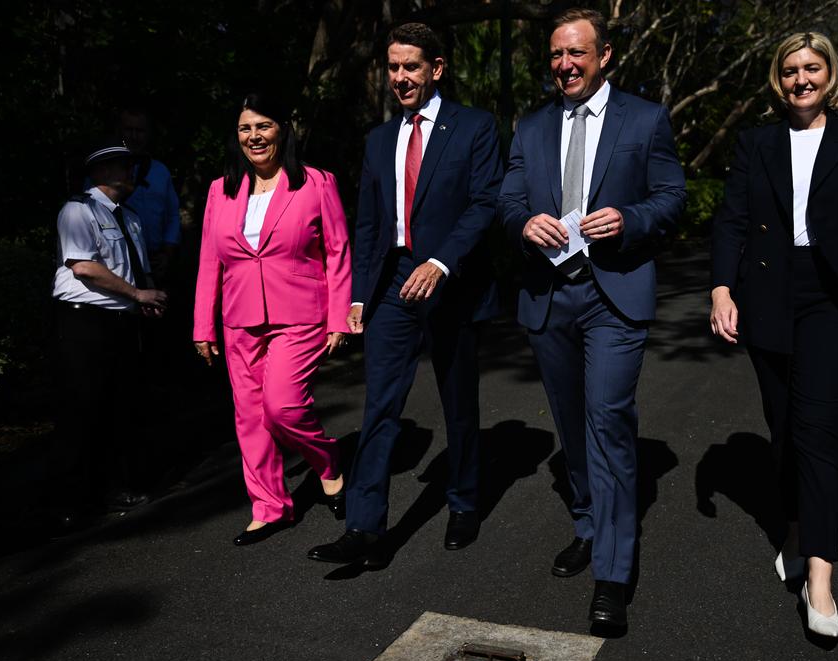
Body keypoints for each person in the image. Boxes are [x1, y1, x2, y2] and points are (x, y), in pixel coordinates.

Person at [709, 31, 838, 639]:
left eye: (812, 68)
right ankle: (795, 527)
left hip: (834, 298)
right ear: (779, 78)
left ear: (830, 75)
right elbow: (731, 222)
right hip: (768, 292)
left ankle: (820, 580)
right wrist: (722, 290)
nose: (802, 79)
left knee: (819, 432)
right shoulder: (756, 143)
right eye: (791, 69)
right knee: (784, 430)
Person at [498, 8, 686, 630]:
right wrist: (523, 223)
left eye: (576, 53)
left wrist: (629, 221)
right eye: (555, 54)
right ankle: (587, 522)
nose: (565, 65)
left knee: (607, 421)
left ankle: (612, 571)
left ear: (604, 56)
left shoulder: (646, 118)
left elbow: (670, 198)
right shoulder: (530, 126)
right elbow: (508, 199)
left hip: (615, 294)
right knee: (572, 425)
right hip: (549, 295)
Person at [307, 22, 502, 567]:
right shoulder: (378, 139)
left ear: (435, 69)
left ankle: (464, 501)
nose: (400, 77)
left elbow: (484, 204)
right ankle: (365, 529)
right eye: (393, 67)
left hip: (450, 281)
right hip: (393, 283)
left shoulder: (475, 127)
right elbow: (368, 224)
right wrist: (358, 296)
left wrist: (441, 263)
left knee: (457, 402)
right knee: (381, 406)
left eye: (410, 66)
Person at [193, 92, 353, 546]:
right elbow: (210, 261)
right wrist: (202, 326)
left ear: (282, 129)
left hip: (300, 313)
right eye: (245, 128)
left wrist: (339, 317)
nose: (254, 136)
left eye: (263, 126)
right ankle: (269, 507)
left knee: (282, 408)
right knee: (249, 418)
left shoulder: (316, 183)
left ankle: (327, 461)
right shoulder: (220, 189)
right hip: (238, 317)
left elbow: (339, 251)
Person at [49, 139, 168, 524]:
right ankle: (72, 503)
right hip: (85, 321)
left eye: (132, 165)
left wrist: (145, 297)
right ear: (100, 172)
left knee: (120, 408)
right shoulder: (77, 210)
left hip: (121, 322)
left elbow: (137, 267)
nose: (131, 172)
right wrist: (137, 292)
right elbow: (83, 266)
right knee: (81, 410)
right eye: (122, 165)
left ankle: (114, 489)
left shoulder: (130, 217)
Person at [118, 105, 181, 279]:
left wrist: (167, 254)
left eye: (139, 131)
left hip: (155, 261)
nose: (134, 136)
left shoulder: (161, 172)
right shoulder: (104, 172)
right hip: (119, 262)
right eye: (128, 130)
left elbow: (173, 216)